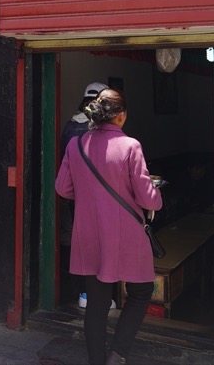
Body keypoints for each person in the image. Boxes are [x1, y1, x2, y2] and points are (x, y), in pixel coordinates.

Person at [55, 89, 162, 365]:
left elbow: (63, 189)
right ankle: (119, 354)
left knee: (97, 303)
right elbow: (148, 198)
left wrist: (92, 196)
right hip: (126, 234)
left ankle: (97, 360)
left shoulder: (76, 145)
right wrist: (154, 188)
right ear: (121, 116)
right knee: (141, 293)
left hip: (88, 235)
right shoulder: (130, 146)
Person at [57, 81, 108, 307]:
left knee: (80, 242)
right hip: (101, 197)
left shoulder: (70, 126)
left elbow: (64, 166)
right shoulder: (103, 130)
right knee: (101, 244)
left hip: (76, 196)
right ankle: (100, 293)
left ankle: (82, 292)